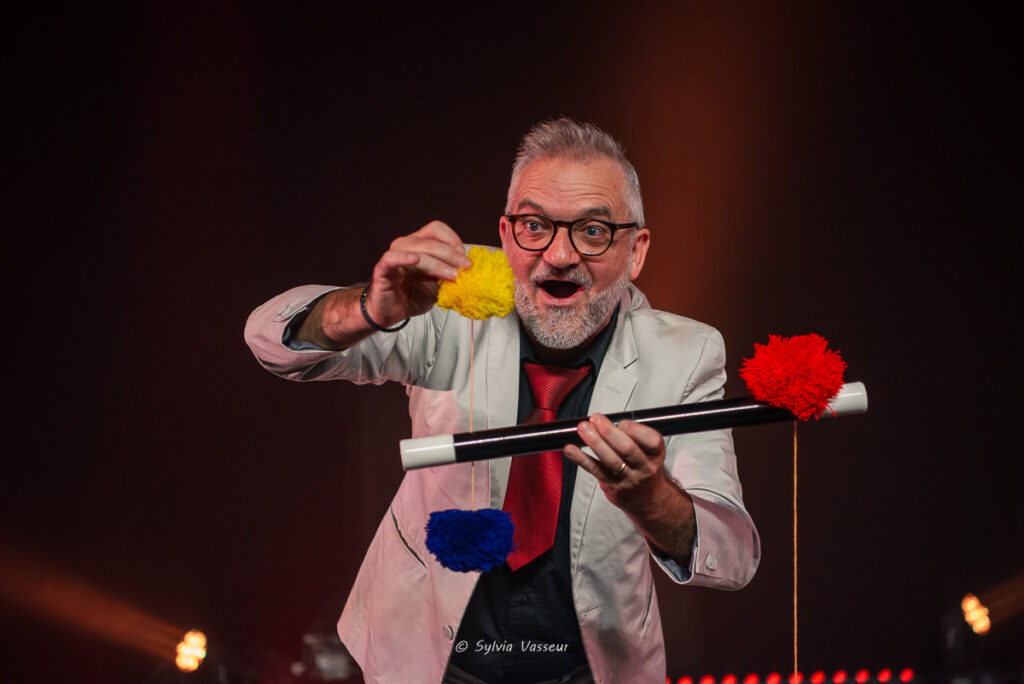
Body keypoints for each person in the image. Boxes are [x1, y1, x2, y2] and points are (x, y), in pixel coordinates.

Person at [244, 118, 760, 684]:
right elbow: (270, 341)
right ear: (507, 232)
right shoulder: (442, 301)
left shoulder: (687, 353)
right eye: (535, 225)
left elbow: (732, 556)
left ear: (635, 251)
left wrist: (651, 498)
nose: (559, 255)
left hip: (590, 668)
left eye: (592, 231)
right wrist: (370, 307)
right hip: (428, 655)